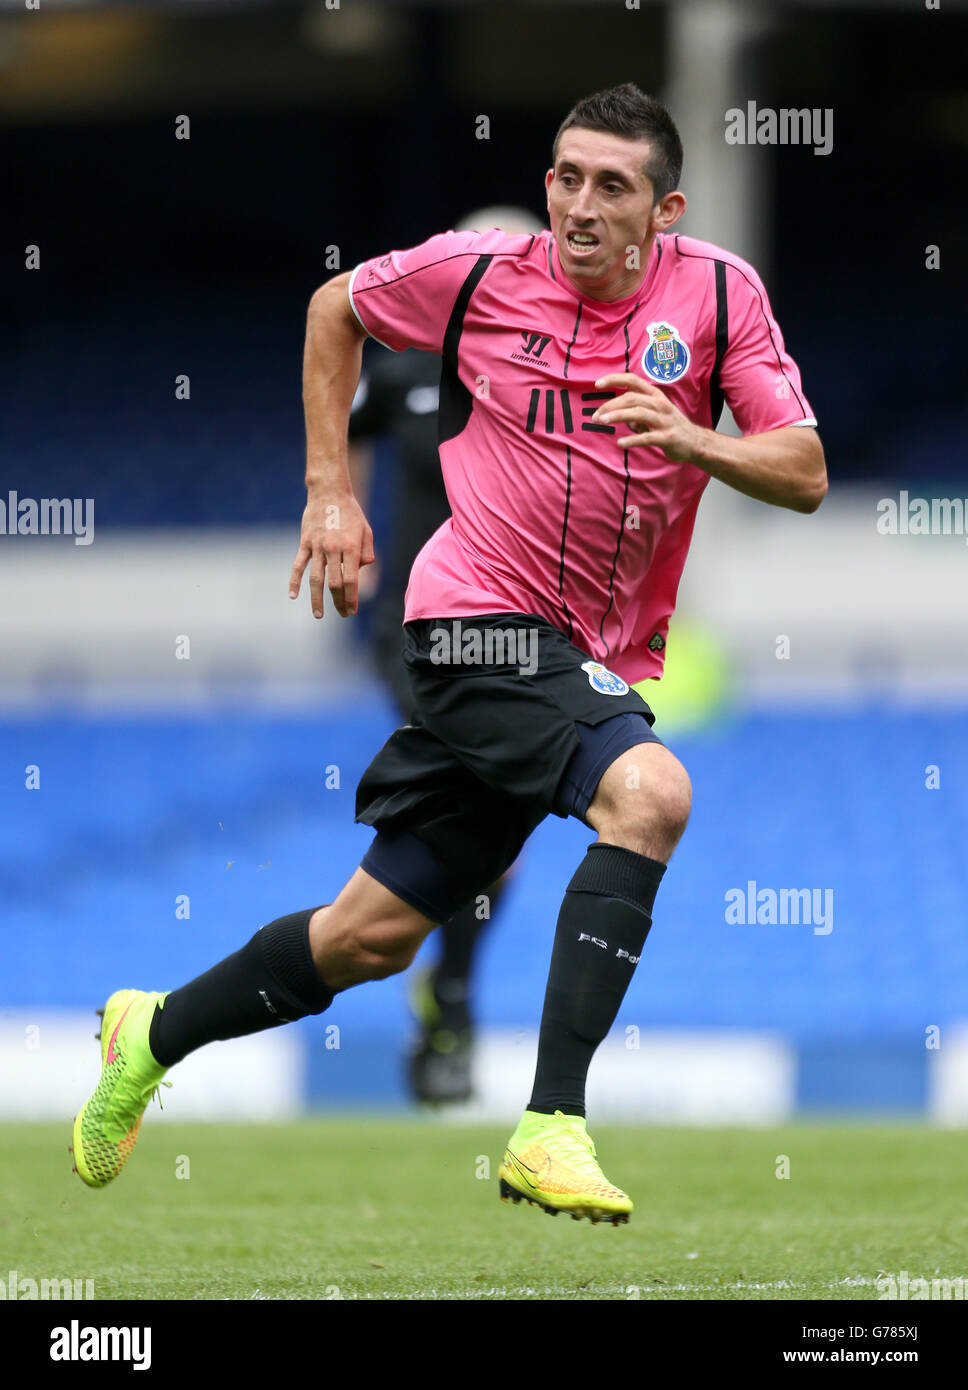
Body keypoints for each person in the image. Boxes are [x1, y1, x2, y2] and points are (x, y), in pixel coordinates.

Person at [71, 83, 825, 1225]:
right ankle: (550, 1125)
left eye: (609, 185)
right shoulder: (476, 275)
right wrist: (329, 493)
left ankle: (151, 1030)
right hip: (465, 620)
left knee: (365, 940)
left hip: (571, 649)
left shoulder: (720, 295)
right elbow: (336, 308)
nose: (577, 204)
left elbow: (804, 468)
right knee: (651, 793)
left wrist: (693, 436)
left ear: (661, 210)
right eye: (564, 175)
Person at [347, 206, 544, 1105]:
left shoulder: (556, 374)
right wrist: (337, 510)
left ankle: (446, 995)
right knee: (483, 824)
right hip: (420, 634)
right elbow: (345, 426)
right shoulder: (400, 369)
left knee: (492, 846)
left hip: (519, 636)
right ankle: (452, 1004)